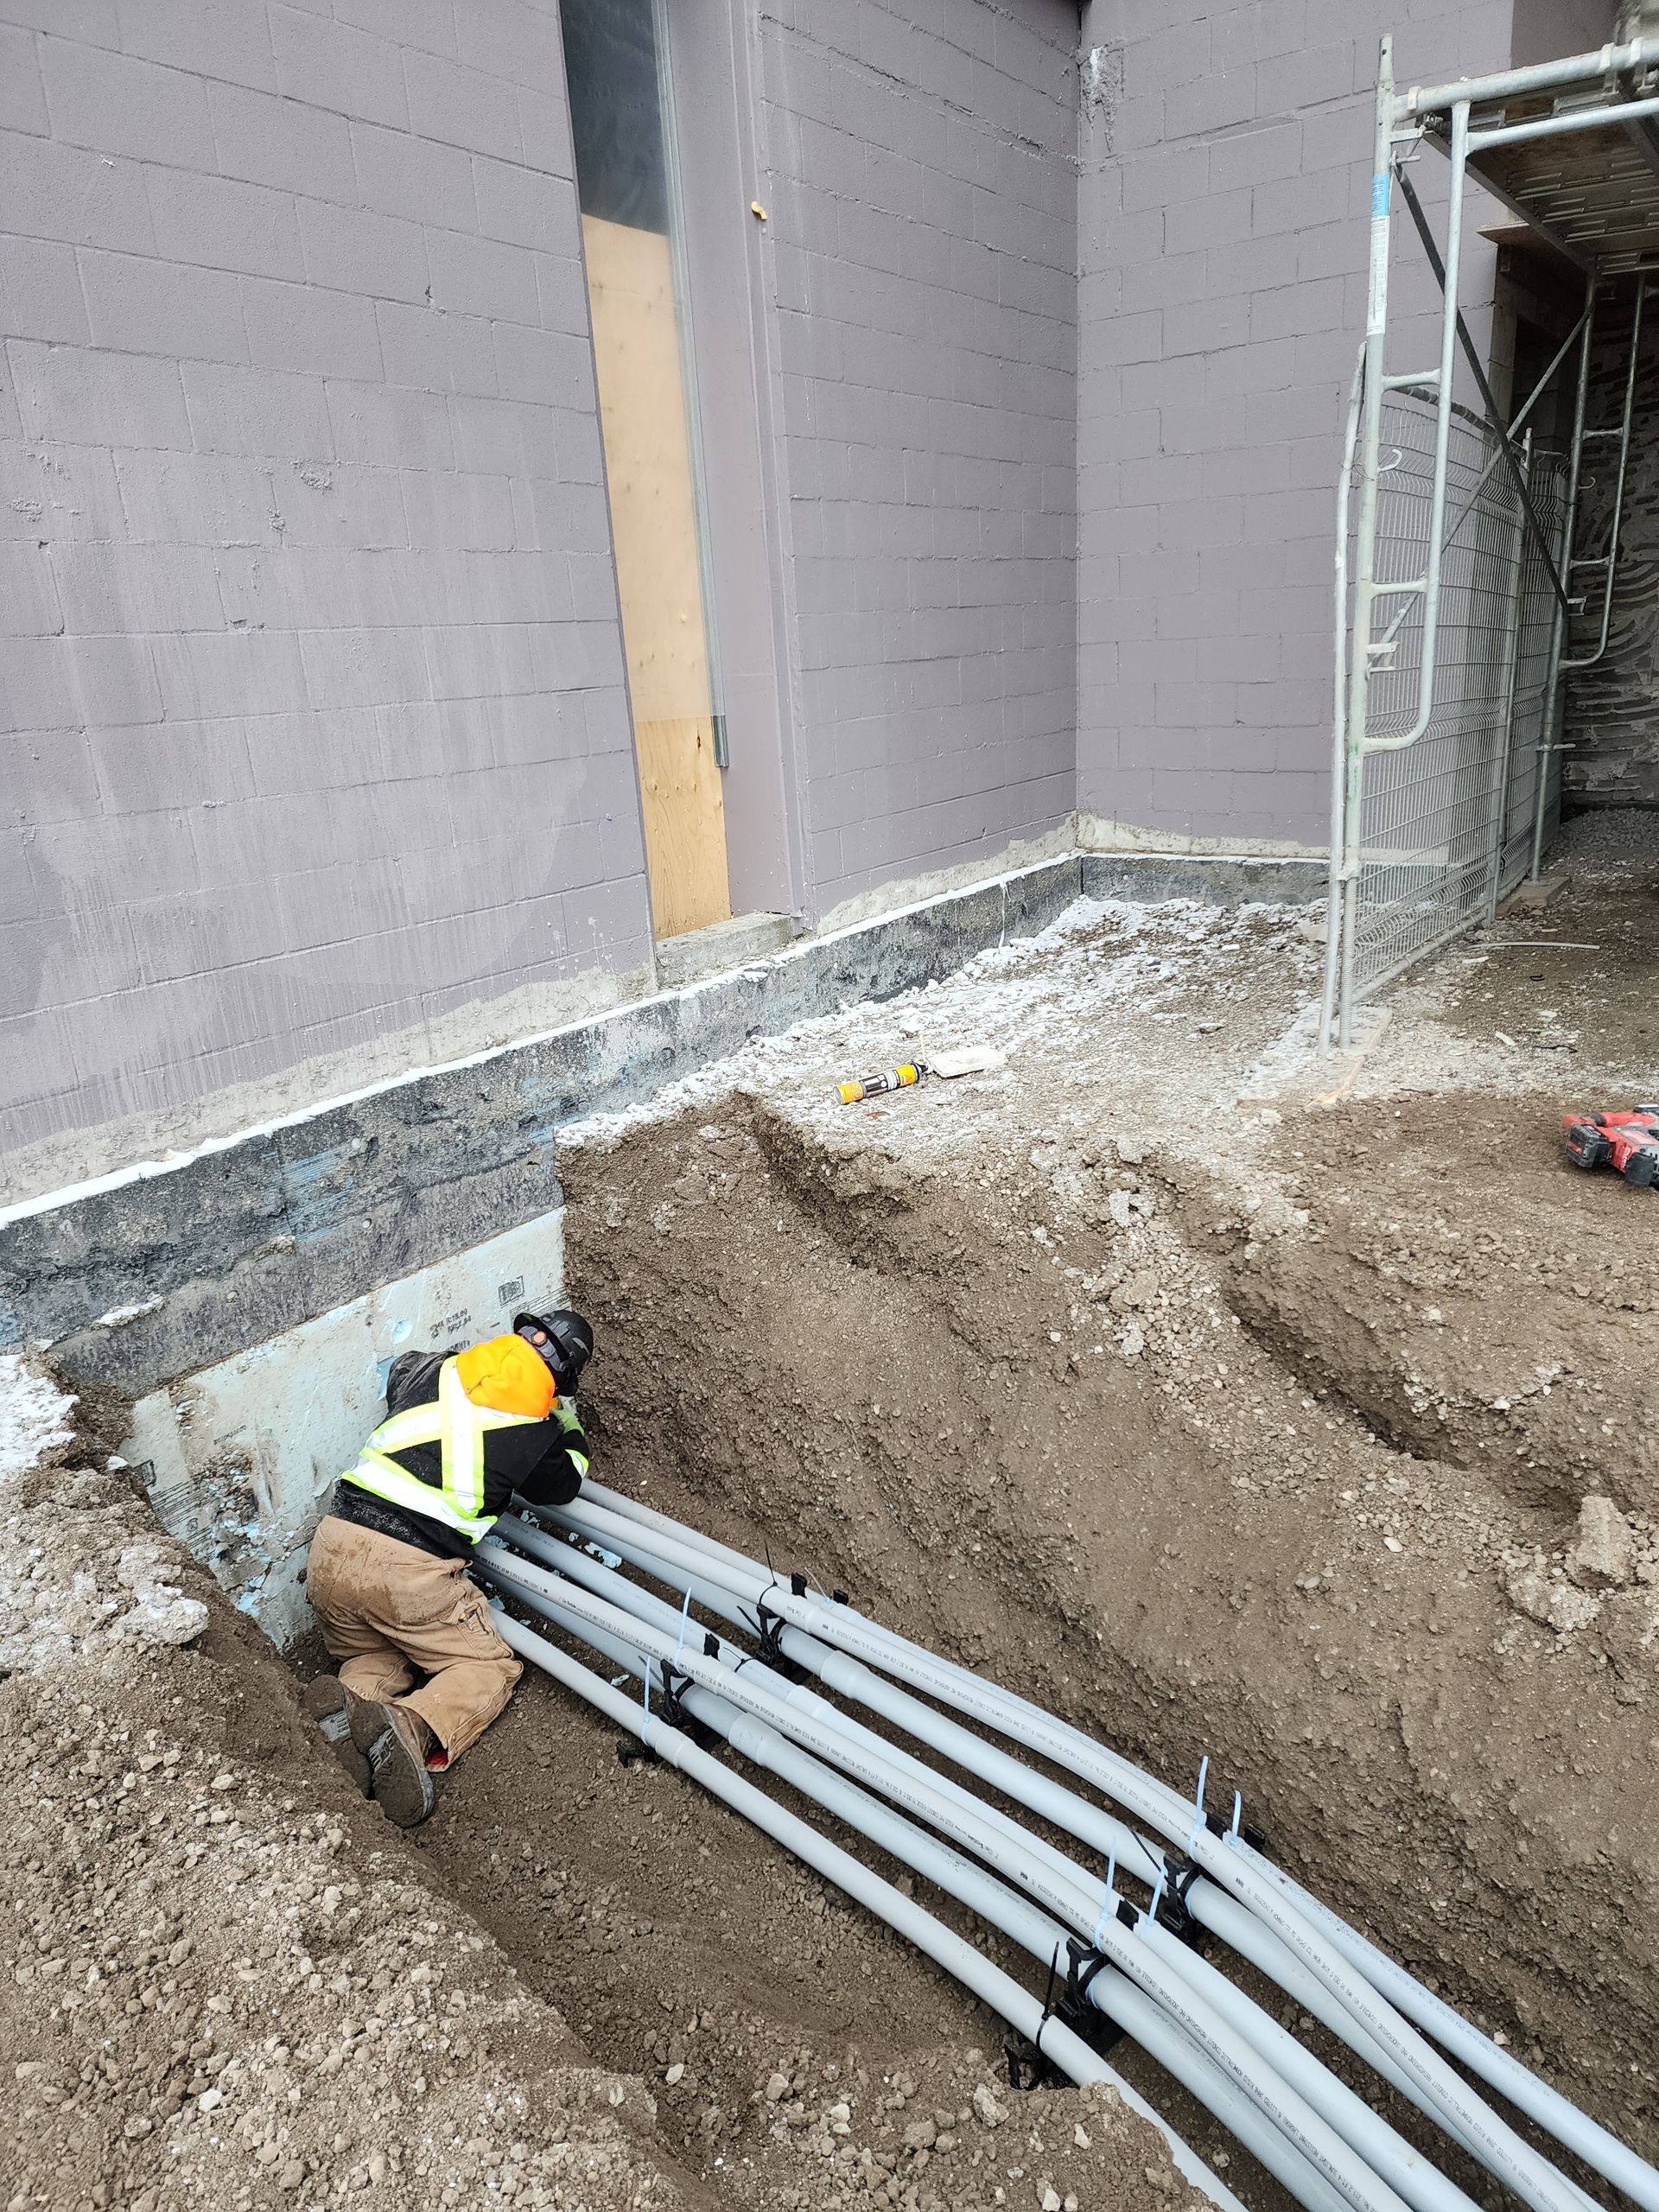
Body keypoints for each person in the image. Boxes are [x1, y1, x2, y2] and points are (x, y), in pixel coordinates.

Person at [302, 1309, 594, 1826]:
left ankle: (350, 1712)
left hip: (331, 1548)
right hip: (406, 1571)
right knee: (487, 1667)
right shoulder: (536, 1429)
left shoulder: (433, 1369)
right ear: (563, 1379)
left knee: (382, 1652)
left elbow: (401, 1376)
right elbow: (564, 1486)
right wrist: (569, 1432)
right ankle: (410, 1729)